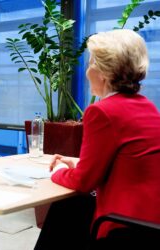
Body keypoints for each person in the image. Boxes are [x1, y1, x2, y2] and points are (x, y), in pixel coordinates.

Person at [35, 29, 160, 249]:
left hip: (125, 228)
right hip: (151, 225)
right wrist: (78, 164)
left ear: (105, 72)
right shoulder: (148, 108)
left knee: (66, 207)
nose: (86, 72)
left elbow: (84, 182)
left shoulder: (102, 111)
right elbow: (128, 165)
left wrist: (58, 174)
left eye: (91, 63)